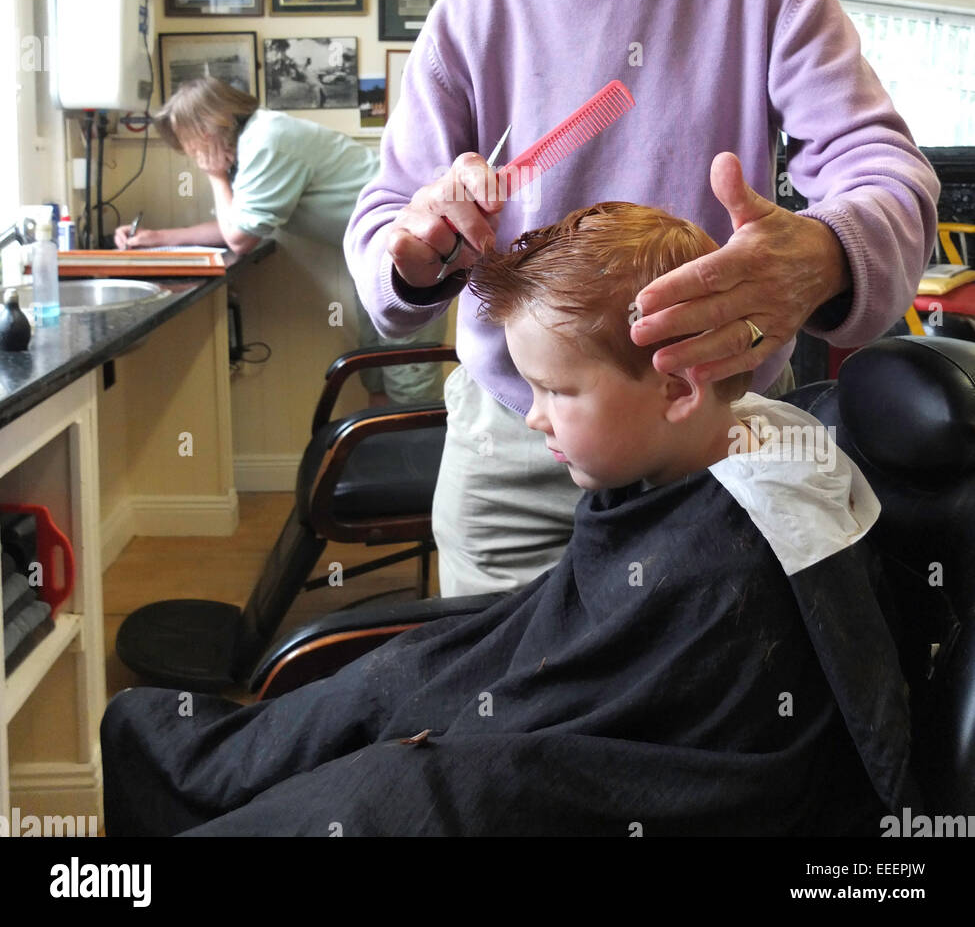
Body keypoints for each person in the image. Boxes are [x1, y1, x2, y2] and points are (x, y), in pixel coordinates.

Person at [344, 0, 940, 596]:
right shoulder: (470, 8)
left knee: (695, 725)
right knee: (496, 728)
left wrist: (821, 256)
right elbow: (381, 236)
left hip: (713, 445)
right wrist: (419, 244)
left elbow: (889, 174)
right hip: (517, 455)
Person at [99, 203, 913, 837]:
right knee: (377, 683)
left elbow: (687, 769)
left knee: (400, 794)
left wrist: (455, 752)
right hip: (529, 742)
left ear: (679, 386)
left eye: (556, 392)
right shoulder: (670, 473)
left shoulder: (736, 557)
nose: (533, 417)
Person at [115, 76, 446, 407]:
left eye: (187, 139)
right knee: (377, 374)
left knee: (410, 388)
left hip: (409, 257)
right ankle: (385, 457)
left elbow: (240, 238)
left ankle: (412, 455)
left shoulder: (266, 142)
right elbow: (235, 224)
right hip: (377, 261)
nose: (189, 152)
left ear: (207, 129)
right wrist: (153, 238)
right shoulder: (255, 141)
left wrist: (215, 177)